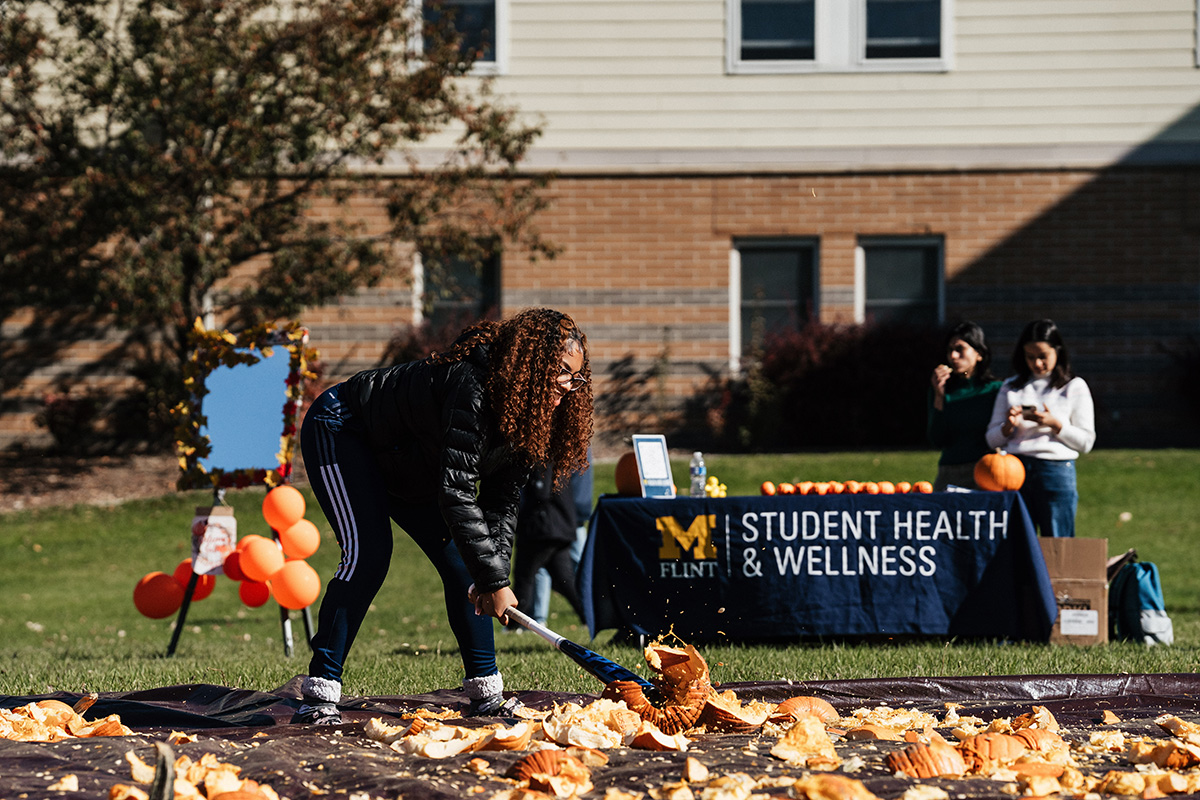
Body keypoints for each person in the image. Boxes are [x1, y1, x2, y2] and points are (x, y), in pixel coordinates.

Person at [293, 308, 593, 724]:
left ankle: (486, 693)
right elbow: (457, 491)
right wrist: (494, 580)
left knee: (467, 570)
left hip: (411, 464)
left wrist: (494, 579)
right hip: (343, 431)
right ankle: (318, 697)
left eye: (576, 377)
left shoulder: (529, 419)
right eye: (562, 371)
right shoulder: (473, 385)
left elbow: (501, 504)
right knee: (369, 556)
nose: (570, 386)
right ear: (533, 363)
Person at [986, 319, 1095, 537]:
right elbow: (991, 439)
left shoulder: (1073, 386)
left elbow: (1086, 442)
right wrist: (1008, 426)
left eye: (1043, 356)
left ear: (1058, 351)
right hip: (1014, 470)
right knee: (1016, 541)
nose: (1037, 364)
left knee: (1057, 542)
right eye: (1030, 357)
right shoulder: (1011, 387)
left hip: (1055, 469)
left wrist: (1054, 424)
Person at [509, 459, 587, 627]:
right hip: (561, 527)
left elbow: (540, 492)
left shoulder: (540, 459)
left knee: (524, 576)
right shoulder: (559, 456)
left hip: (541, 528)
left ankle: (514, 625)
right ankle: (588, 616)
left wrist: (520, 513)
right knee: (565, 579)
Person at [927, 321, 1003, 491]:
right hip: (950, 471)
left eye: (960, 349)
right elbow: (936, 439)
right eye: (950, 351)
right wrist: (939, 396)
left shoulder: (995, 390)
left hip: (985, 471)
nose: (953, 356)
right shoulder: (942, 389)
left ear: (979, 354)